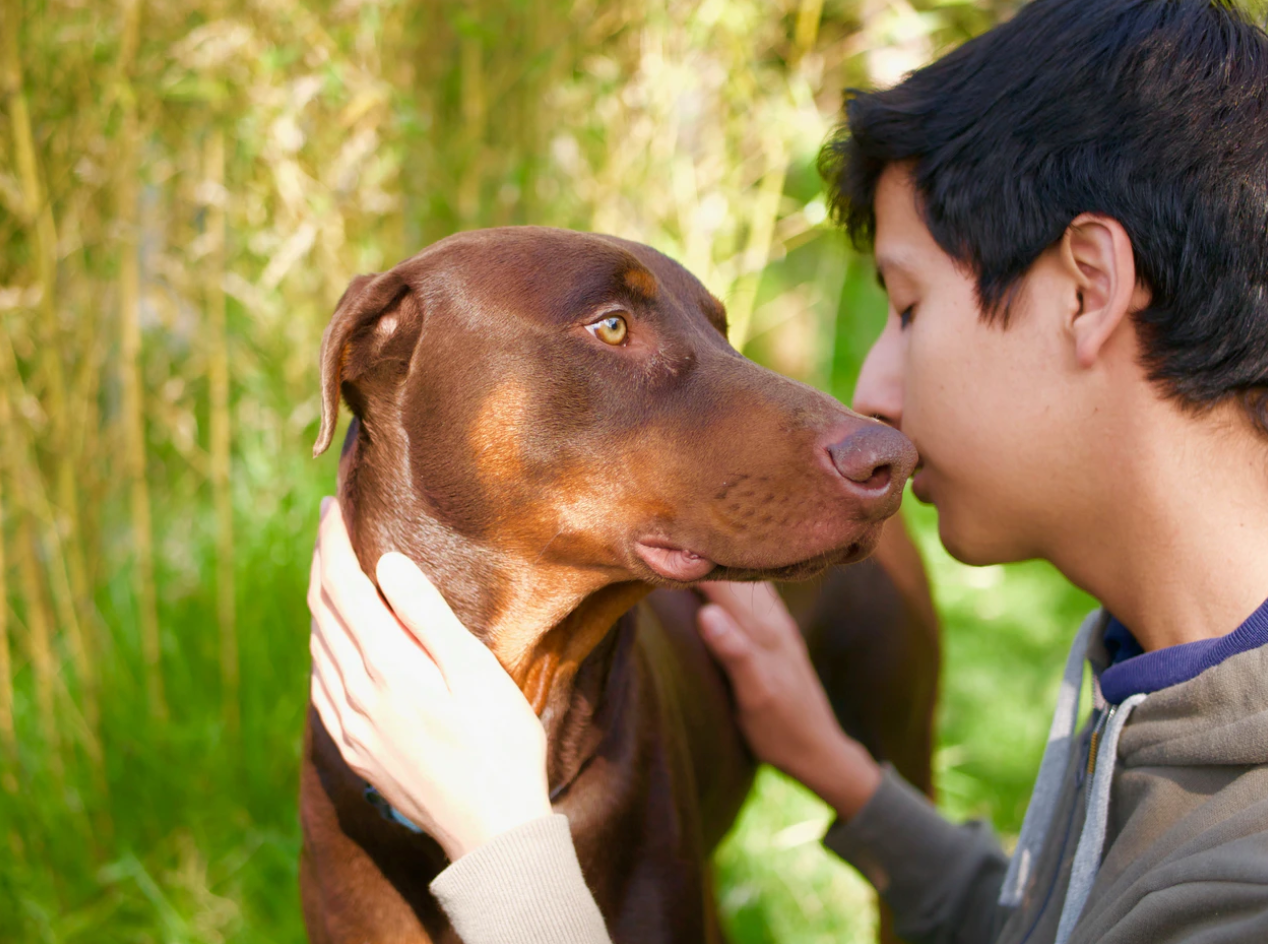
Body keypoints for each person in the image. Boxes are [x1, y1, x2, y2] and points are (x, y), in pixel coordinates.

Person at [306, 0, 1268, 941]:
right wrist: (844, 776)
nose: (870, 401)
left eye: (906, 306)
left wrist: (507, 854)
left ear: (1090, 288)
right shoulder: (1143, 676)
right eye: (613, 329)